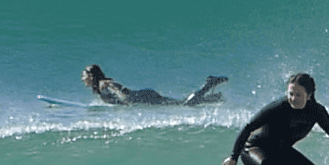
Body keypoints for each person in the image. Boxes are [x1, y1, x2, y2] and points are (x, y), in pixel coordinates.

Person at [81, 65, 227, 106]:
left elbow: (121, 92)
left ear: (92, 75)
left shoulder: (104, 83)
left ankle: (209, 84)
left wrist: (125, 100)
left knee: (183, 104)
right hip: (142, 96)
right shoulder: (100, 87)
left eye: (84, 75)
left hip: (143, 97)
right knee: (181, 103)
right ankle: (212, 98)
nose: (82, 79)